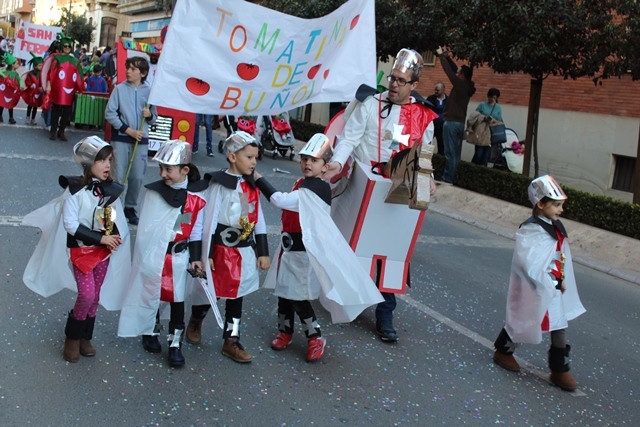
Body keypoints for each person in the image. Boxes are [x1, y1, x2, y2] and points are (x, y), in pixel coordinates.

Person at [323, 48, 439, 342]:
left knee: (391, 251)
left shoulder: (424, 116)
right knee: (353, 243)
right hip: (363, 184)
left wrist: (428, 179)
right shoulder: (368, 104)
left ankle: (385, 312)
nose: (394, 84)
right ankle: (346, 298)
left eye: (402, 80)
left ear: (414, 85)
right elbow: (349, 139)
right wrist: (337, 161)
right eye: (393, 77)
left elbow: (424, 156)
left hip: (397, 190)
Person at [254, 134, 383, 362]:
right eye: (304, 159)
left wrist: (257, 178)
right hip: (289, 249)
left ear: (325, 166)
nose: (307, 164)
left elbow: (279, 200)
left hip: (303, 252)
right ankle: (285, 331)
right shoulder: (304, 183)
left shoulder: (314, 188)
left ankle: (315, 336)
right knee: (284, 293)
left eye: (314, 160)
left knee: (298, 297)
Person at [22, 136, 131, 363]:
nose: (108, 165)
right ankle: (72, 338)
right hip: (82, 252)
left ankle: (85, 337)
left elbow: (108, 218)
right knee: (86, 293)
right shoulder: (75, 191)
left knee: (96, 295)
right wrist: (100, 240)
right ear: (87, 163)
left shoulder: (108, 191)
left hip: (102, 253)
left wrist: (111, 233)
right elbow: (71, 224)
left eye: (109, 160)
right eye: (101, 160)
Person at [118, 140, 208, 368]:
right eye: (161, 168)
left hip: (179, 258)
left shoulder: (196, 198)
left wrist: (196, 258)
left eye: (168, 169)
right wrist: (147, 255)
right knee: (153, 295)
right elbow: (147, 228)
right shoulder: (155, 194)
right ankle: (151, 331)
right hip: (154, 256)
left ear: (184, 170)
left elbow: (195, 230)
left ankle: (175, 343)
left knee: (177, 300)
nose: (163, 174)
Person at [492, 175, 586, 392]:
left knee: (559, 324)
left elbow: (560, 255)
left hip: (553, 284)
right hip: (534, 285)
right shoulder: (531, 229)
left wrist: (560, 278)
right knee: (525, 319)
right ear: (540, 204)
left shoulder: (556, 226)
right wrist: (542, 280)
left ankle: (559, 369)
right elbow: (527, 260)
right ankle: (503, 351)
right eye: (556, 205)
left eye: (562, 205)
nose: (561, 210)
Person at [186, 131, 270, 363]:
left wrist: (262, 251)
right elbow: (208, 219)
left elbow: (256, 217)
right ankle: (196, 318)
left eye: (256, 157)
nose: (254, 162)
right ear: (232, 157)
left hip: (242, 251)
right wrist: (207, 253)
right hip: (220, 251)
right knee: (210, 292)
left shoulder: (251, 185)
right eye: (249, 157)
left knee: (237, 297)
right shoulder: (218, 184)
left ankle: (231, 340)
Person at [105, 56, 157, 225]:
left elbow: (154, 118)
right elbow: (110, 113)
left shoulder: (150, 92)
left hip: (141, 141)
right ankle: (113, 208)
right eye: (127, 67)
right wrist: (128, 130)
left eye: (133, 69)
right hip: (121, 138)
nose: (128, 71)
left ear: (143, 73)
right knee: (118, 175)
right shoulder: (119, 89)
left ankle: (130, 207)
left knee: (136, 176)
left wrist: (150, 116)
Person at [436, 46, 476, 184]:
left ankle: (448, 178)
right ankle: (450, 176)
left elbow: (450, 72)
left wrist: (441, 56)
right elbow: (454, 69)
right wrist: (447, 57)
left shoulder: (461, 85)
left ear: (462, 76)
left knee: (450, 153)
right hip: (459, 123)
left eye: (459, 72)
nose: (457, 73)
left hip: (452, 123)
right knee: (454, 153)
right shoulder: (466, 86)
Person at [45, 34, 84, 141]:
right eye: (65, 46)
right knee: (56, 111)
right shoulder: (57, 59)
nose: (67, 48)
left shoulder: (75, 61)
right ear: (62, 47)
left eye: (69, 46)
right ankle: (53, 130)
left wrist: (80, 87)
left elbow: (79, 75)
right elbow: (51, 73)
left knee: (66, 112)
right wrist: (49, 86)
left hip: (69, 91)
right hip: (58, 89)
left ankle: (61, 131)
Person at [472, 88, 504, 166]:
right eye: (491, 97)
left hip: (491, 133)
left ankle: (482, 168)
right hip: (481, 131)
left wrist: (492, 120)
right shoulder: (482, 105)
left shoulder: (498, 107)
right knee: (478, 153)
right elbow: (475, 116)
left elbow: (499, 120)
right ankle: (474, 166)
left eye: (494, 98)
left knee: (486, 154)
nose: (492, 99)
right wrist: (484, 118)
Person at [0, 51, 24, 124]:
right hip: (5, 90)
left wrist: (21, 85)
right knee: (1, 103)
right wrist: (4, 76)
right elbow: (0, 72)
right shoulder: (5, 71)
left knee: (11, 103)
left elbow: (20, 79)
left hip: (12, 91)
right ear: (12, 65)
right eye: (16, 63)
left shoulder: (16, 74)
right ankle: (0, 116)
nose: (18, 64)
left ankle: (11, 117)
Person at [22, 53, 44, 125]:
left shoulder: (41, 74)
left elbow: (42, 82)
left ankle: (33, 118)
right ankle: (28, 117)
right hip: (31, 93)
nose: (41, 67)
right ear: (35, 66)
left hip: (37, 92)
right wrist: (30, 85)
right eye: (39, 65)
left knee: (35, 106)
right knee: (30, 105)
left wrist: (41, 87)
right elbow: (27, 81)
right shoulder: (30, 74)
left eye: (41, 65)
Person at [426, 82, 447, 155]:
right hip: (431, 125)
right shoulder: (430, 98)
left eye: (438, 90)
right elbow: (426, 110)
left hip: (442, 127)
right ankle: (424, 160)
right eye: (435, 90)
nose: (436, 92)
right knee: (427, 143)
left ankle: (440, 160)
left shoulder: (448, 100)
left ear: (443, 90)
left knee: (442, 146)